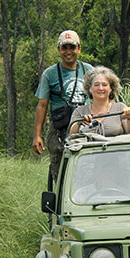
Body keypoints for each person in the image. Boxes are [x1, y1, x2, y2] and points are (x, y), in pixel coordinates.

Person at [32, 30, 93, 183]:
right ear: (59, 50)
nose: (68, 52)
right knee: (60, 173)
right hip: (59, 129)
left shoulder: (89, 71)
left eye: (72, 47)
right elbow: (42, 105)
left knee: (88, 170)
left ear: (79, 49)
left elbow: (100, 98)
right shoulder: (49, 74)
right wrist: (37, 135)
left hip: (85, 125)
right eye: (64, 48)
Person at [68, 66, 130, 137]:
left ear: (111, 88)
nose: (100, 88)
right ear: (90, 89)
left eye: (104, 85)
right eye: (96, 85)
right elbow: (72, 136)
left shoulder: (120, 108)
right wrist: (78, 123)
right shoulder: (79, 111)